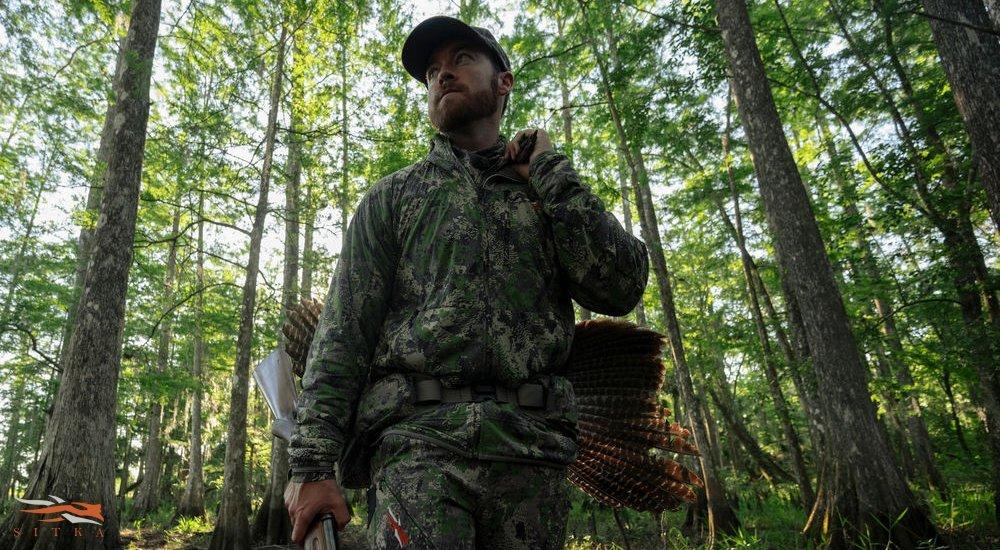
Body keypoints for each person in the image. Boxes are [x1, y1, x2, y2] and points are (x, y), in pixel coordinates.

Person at [283, 15, 649, 549]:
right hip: (418, 451)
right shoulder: (393, 199)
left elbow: (621, 285)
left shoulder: (546, 193)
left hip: (533, 455)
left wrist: (550, 172)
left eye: (461, 60)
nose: (442, 76)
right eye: (431, 71)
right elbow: (343, 335)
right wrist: (312, 466)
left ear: (505, 83)